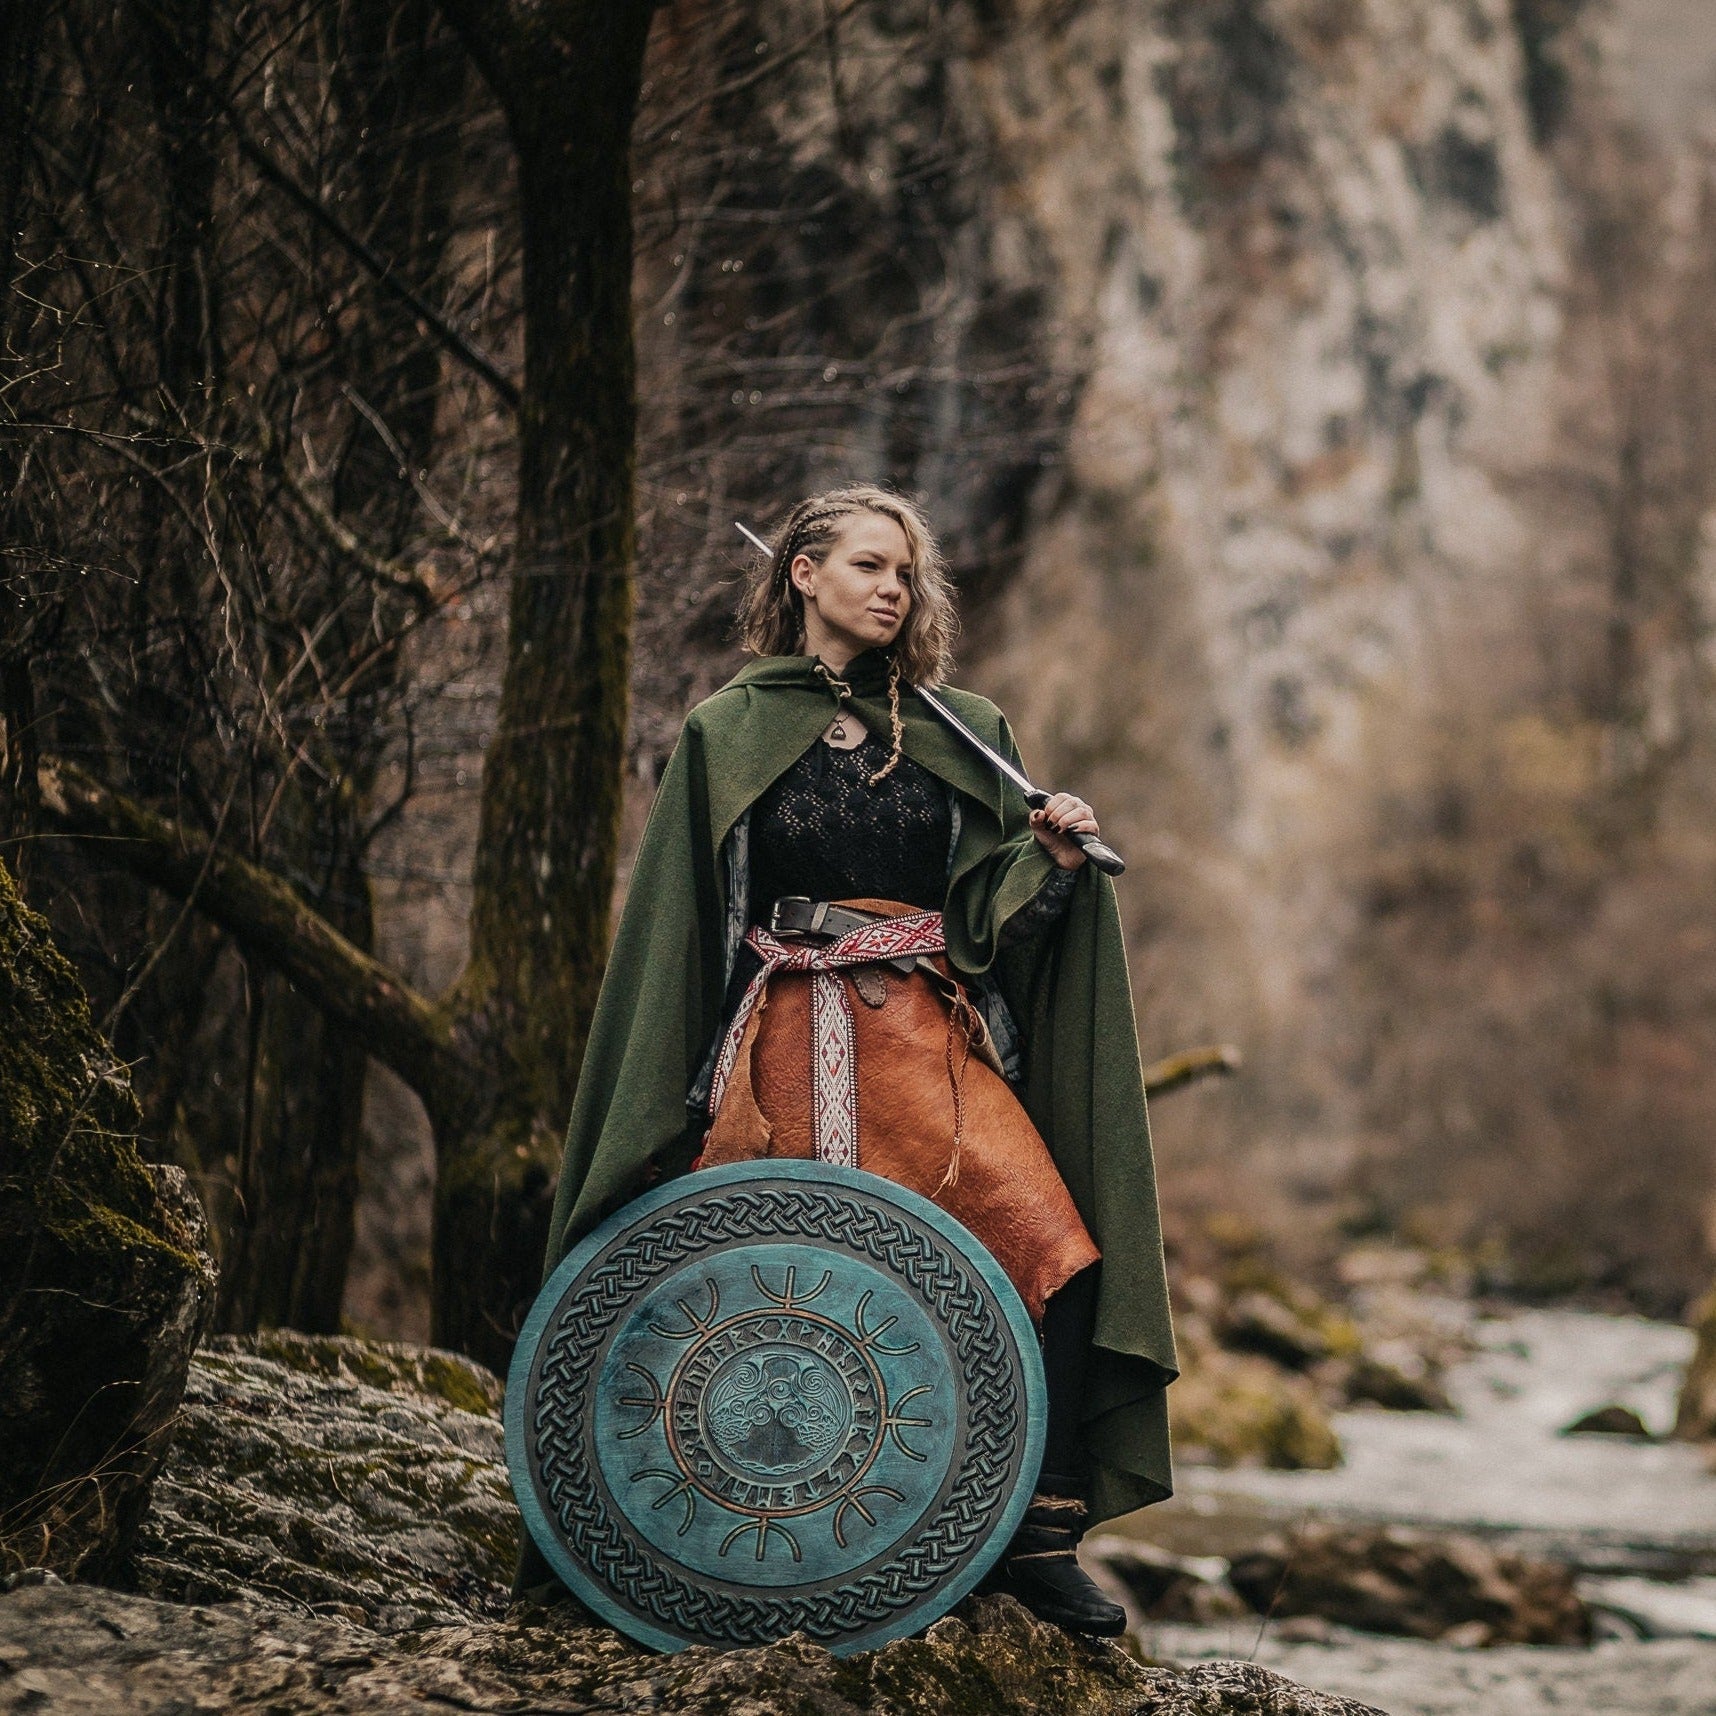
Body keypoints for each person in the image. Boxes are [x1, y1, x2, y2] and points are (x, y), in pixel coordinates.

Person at [533, 484, 1177, 1636]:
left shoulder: (960, 725)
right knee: (757, 1285)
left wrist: (1051, 862)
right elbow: (687, 926)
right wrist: (668, 1102)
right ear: (803, 574)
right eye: (870, 566)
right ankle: (688, 1536)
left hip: (927, 1042)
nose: (893, 589)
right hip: (778, 1035)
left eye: (906, 574)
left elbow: (989, 926)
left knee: (1057, 1256)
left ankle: (1034, 1532)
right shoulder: (727, 730)